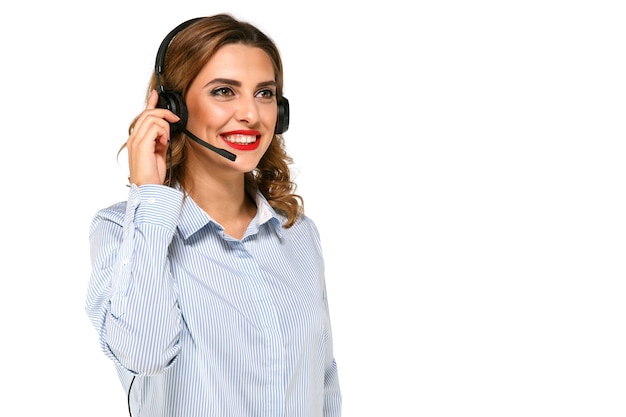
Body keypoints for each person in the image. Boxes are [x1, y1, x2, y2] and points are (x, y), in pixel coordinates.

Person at [85, 14, 341, 417]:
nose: (251, 115)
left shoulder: (298, 235)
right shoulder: (122, 230)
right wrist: (149, 198)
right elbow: (143, 352)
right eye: (224, 91)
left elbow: (324, 384)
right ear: (173, 108)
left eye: (265, 93)